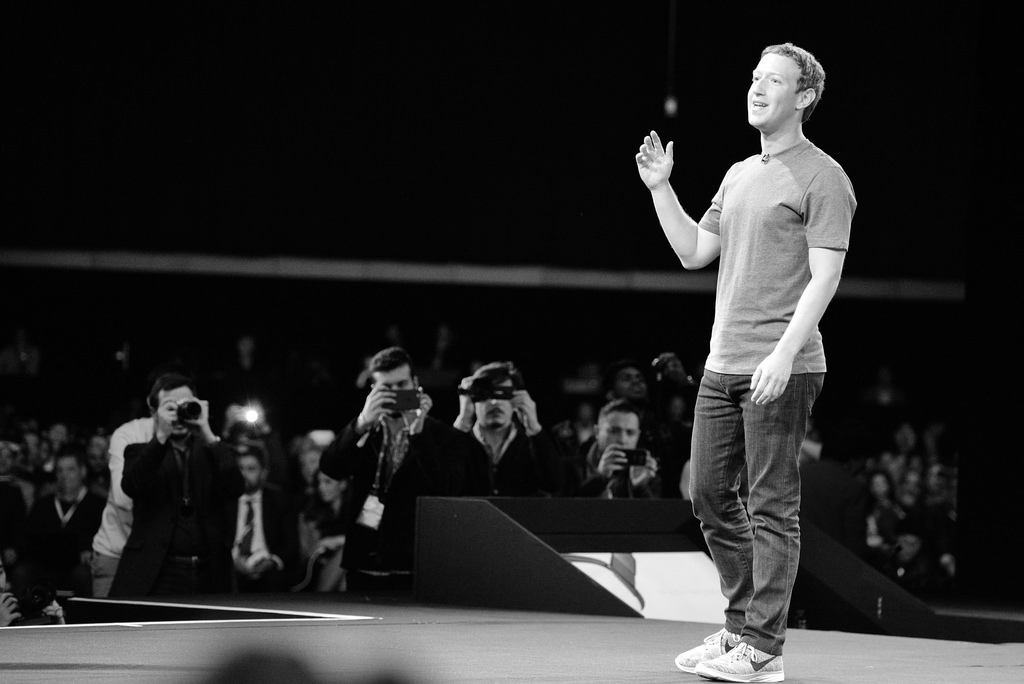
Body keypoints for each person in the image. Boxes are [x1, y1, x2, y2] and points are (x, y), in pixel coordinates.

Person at [637, 42, 855, 681]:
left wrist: (785, 354)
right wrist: (661, 188)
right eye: (755, 77)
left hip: (783, 365)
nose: (757, 88)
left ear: (804, 97)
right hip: (722, 363)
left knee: (771, 506)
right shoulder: (737, 174)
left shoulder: (824, 177)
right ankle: (740, 630)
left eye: (774, 81)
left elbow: (826, 277)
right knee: (708, 496)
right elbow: (693, 252)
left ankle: (763, 648)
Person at [318, 346, 489, 591]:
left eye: (402, 385)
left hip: (413, 566)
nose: (396, 393)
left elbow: (447, 487)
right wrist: (361, 422)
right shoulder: (365, 430)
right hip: (363, 563)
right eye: (387, 387)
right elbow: (331, 468)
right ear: (374, 390)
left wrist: (418, 435)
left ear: (415, 384)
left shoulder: (440, 435)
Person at [109, 373, 244, 596]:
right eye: (171, 407)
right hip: (157, 572)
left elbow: (234, 487)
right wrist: (161, 436)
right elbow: (132, 487)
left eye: (185, 405)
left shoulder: (212, 451)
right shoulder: (139, 451)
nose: (180, 414)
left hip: (209, 571)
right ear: (154, 412)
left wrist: (208, 433)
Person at [452, 362, 564, 496]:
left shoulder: (530, 443)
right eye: (486, 395)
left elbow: (555, 485)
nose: (495, 402)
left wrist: (534, 428)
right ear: (473, 399)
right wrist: (463, 420)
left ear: (517, 398)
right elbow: (443, 484)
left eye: (503, 394)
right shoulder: (462, 441)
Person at [13, 449, 105, 599]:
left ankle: (82, 613)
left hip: (78, 565)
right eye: (60, 470)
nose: (64, 475)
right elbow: (27, 536)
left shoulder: (97, 504)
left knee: (82, 575)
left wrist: (90, 552)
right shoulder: (43, 504)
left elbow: (103, 538)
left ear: (82, 471)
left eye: (70, 469)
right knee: (21, 573)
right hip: (44, 564)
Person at [91, 398, 155, 597]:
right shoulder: (129, 433)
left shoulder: (192, 437)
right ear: (153, 404)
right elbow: (123, 498)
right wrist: (160, 441)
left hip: (158, 557)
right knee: (107, 617)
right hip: (116, 551)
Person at [229, 443, 298, 592]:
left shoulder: (279, 500)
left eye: (251, 469)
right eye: (241, 468)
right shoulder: (225, 501)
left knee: (275, 580)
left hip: (268, 567)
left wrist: (271, 561)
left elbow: (291, 544)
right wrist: (233, 560)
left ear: (264, 472)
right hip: (231, 565)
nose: (244, 474)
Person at [565, 398, 659, 498]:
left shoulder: (648, 475)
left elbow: (655, 508)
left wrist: (639, 487)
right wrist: (600, 478)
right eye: (614, 431)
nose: (622, 440)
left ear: (638, 436)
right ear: (597, 432)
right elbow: (565, 506)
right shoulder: (569, 469)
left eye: (630, 433)